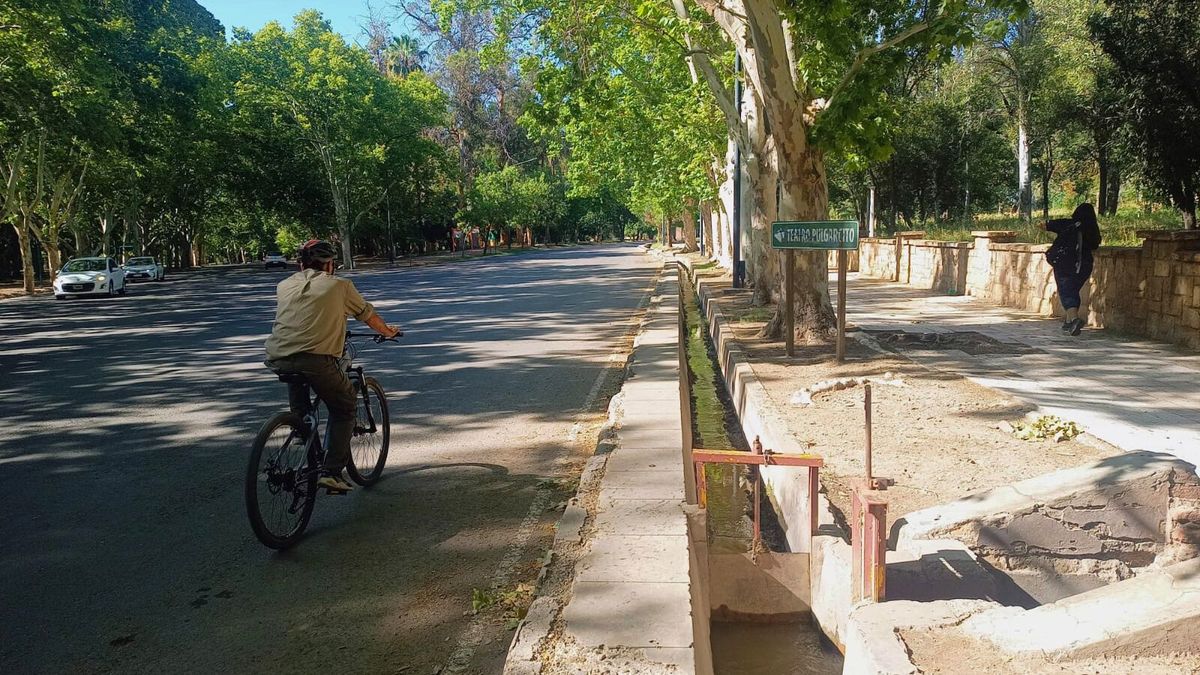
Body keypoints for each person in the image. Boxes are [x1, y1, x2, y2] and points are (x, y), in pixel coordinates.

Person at [264, 239, 401, 493]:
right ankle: (332, 472)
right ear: (331, 265)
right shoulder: (339, 286)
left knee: (303, 411)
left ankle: (302, 431)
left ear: (300, 264)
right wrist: (389, 331)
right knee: (346, 406)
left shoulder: (284, 285)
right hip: (316, 360)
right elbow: (367, 315)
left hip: (279, 357)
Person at [1044, 203, 1102, 336]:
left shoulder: (1068, 224)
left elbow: (1046, 225)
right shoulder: (1092, 229)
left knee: (1066, 290)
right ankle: (1069, 321)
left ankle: (1075, 319)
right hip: (1084, 265)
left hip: (1065, 263)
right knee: (1072, 289)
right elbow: (1095, 244)